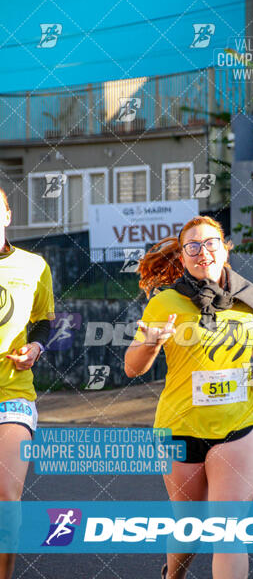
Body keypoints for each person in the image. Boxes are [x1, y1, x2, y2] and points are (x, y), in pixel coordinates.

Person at [125, 215, 253, 579]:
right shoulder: (165, 302)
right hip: (180, 426)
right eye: (193, 247)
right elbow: (131, 367)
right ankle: (173, 575)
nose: (203, 252)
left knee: (228, 530)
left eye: (211, 243)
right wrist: (153, 342)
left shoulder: (252, 299)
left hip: (239, 424)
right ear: (183, 258)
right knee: (189, 526)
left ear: (225, 249)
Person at [0, 188, 54, 578]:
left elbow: (44, 321)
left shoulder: (34, 265)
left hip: (13, 392)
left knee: (7, 497)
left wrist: (35, 346)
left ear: (7, 215)